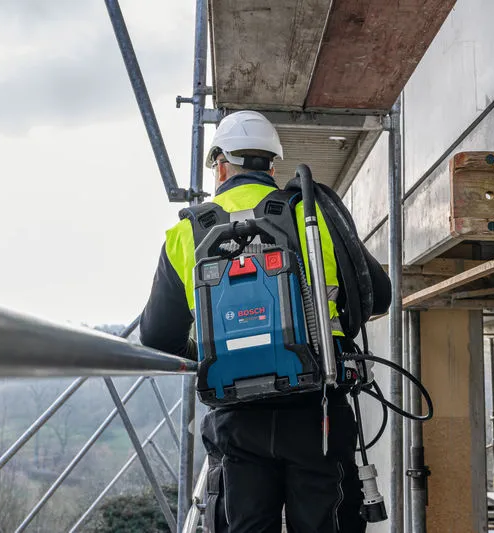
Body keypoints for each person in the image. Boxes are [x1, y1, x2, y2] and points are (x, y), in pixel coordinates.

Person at [139, 110, 390, 532]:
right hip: (318, 408)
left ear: (220, 164)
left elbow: (158, 336)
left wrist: (222, 347)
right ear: (272, 165)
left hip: (236, 417)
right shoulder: (313, 213)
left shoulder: (186, 234)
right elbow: (378, 296)